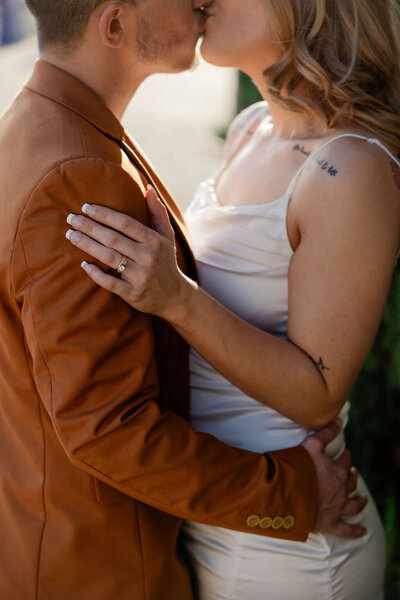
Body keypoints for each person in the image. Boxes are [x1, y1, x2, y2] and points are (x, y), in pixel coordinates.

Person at [0, 1, 366, 599]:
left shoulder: (38, 124)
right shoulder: (73, 174)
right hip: (103, 570)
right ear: (114, 25)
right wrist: (292, 496)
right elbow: (105, 429)